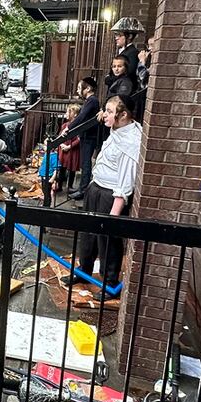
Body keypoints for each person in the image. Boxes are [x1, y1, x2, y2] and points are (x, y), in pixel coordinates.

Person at [62, 94, 142, 292]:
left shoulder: (131, 141)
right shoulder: (116, 129)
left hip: (110, 194)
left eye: (109, 111)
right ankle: (84, 271)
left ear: (123, 115)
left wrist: (115, 213)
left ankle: (109, 282)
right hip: (96, 186)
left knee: (108, 240)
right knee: (88, 235)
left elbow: (126, 182)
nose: (104, 114)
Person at [65, 77, 101, 200]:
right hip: (86, 135)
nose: (78, 90)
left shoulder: (92, 100)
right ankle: (81, 187)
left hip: (89, 136)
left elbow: (81, 117)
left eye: (80, 88)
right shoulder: (90, 101)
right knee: (84, 163)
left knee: (86, 164)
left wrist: (68, 127)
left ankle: (83, 190)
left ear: (88, 88)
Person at [55, 104, 81, 193]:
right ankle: (59, 185)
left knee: (71, 169)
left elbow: (79, 139)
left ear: (75, 114)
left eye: (68, 112)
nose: (66, 113)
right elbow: (60, 135)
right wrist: (61, 144)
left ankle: (70, 186)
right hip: (64, 149)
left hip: (72, 150)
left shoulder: (78, 126)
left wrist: (69, 146)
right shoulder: (64, 125)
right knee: (61, 168)